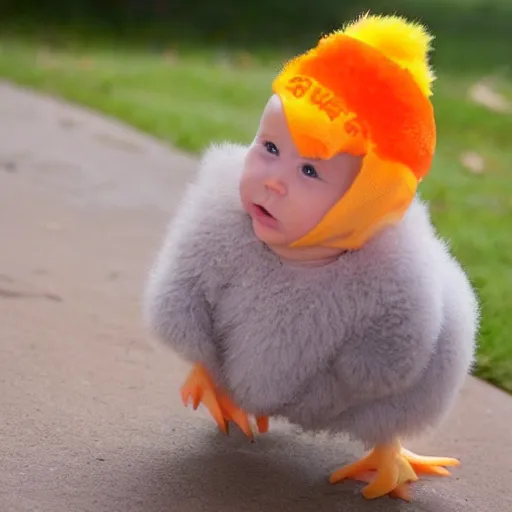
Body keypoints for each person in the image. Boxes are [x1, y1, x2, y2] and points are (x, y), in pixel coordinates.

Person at [143, 12, 480, 502]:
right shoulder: (221, 216)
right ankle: (218, 381)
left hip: (345, 400)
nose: (273, 178)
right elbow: (179, 299)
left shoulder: (400, 280)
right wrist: (208, 363)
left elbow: (392, 365)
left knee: (442, 330)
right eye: (270, 146)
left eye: (308, 169)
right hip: (251, 370)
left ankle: (387, 446)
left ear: (363, 203)